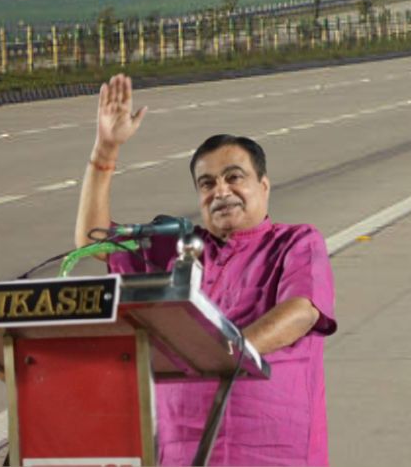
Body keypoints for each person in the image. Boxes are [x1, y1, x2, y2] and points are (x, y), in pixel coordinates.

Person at [74, 74, 337, 466]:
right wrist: (105, 151)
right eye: (207, 183)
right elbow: (92, 242)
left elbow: (301, 311)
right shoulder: (177, 248)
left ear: (264, 186)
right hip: (186, 449)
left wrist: (224, 353)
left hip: (273, 447)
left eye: (234, 177)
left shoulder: (296, 242)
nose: (221, 191)